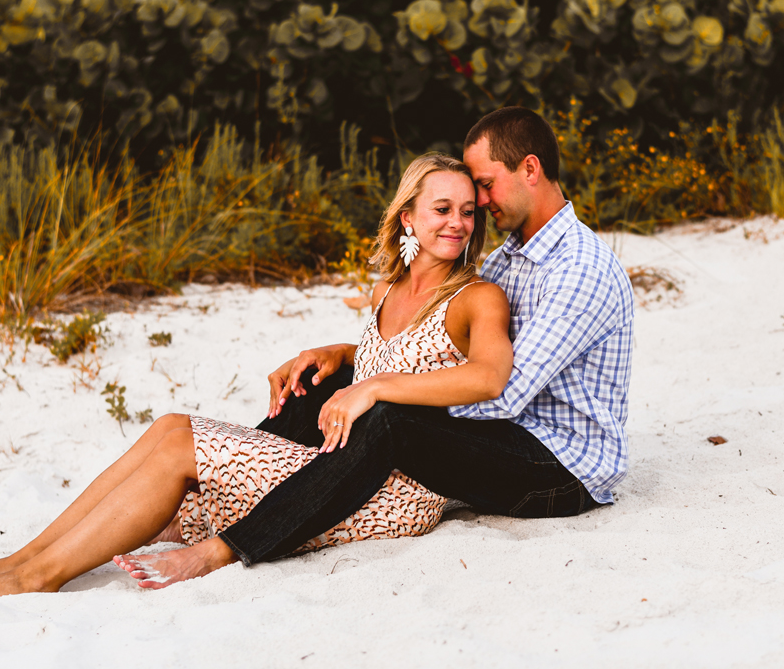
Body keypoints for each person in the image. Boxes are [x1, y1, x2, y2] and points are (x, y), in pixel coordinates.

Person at [0, 154, 513, 603]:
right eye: (442, 209)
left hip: (392, 488)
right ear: (408, 215)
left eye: (467, 211)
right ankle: (26, 555)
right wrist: (343, 356)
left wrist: (373, 386)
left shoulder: (475, 296)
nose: (458, 223)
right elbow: (393, 359)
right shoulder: (388, 289)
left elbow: (489, 377)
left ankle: (40, 575)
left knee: (180, 441)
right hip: (333, 462)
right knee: (169, 453)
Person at [100, 105, 635, 585]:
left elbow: (500, 392)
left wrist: (379, 385)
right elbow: (447, 344)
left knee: (390, 418)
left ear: (531, 169)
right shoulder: (512, 256)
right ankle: (231, 483)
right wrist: (348, 356)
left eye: (486, 186)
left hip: (558, 467)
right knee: (327, 384)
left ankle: (227, 545)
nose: (479, 205)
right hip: (505, 430)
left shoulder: (579, 270)